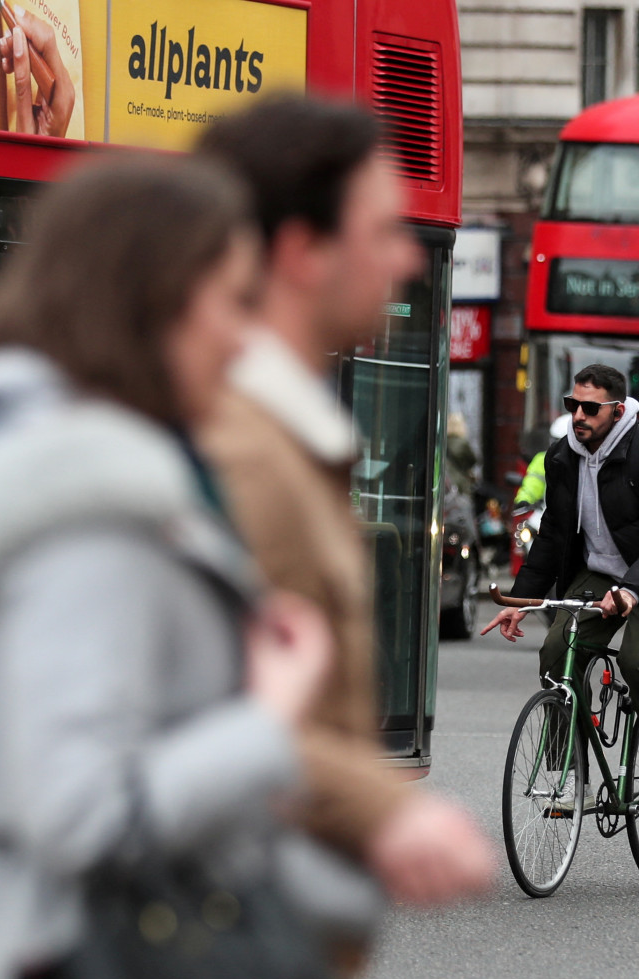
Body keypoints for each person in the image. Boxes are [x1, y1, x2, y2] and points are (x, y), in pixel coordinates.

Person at [0, 158, 330, 979]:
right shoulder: (91, 507)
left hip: (50, 972)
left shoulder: (82, 477)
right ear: (151, 300)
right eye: (233, 301)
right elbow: (82, 811)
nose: (246, 339)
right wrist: (267, 721)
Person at [192, 98, 493, 926]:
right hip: (203, 952)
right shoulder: (241, 455)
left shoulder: (286, 438)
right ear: (302, 253)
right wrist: (388, 809)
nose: (405, 257)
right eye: (381, 230)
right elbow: (185, 720)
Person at [482, 363, 639, 812]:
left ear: (618, 410)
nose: (578, 415)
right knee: (555, 652)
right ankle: (571, 768)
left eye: (589, 407)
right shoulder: (562, 458)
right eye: (572, 405)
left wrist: (631, 592)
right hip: (600, 573)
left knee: (636, 660)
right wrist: (522, 602)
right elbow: (553, 538)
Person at [514, 414, 571, 509]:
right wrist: (525, 499)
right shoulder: (543, 459)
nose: (558, 446)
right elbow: (533, 483)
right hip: (548, 513)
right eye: (554, 440)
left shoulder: (587, 460)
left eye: (563, 442)